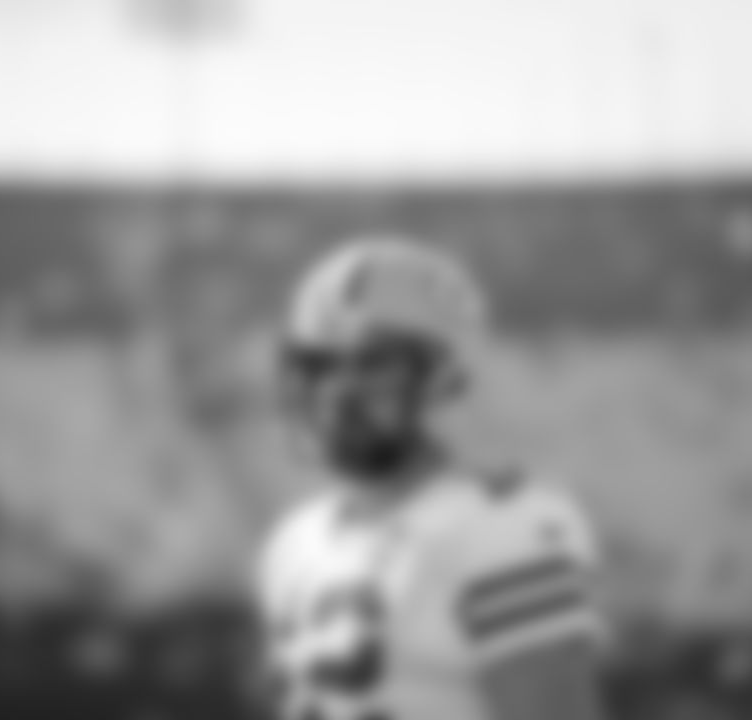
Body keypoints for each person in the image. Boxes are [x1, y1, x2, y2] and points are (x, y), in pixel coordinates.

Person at [254, 236, 612, 720]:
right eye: (320, 364)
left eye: (374, 362)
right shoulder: (295, 543)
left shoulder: (504, 526)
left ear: (442, 376)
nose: (340, 389)